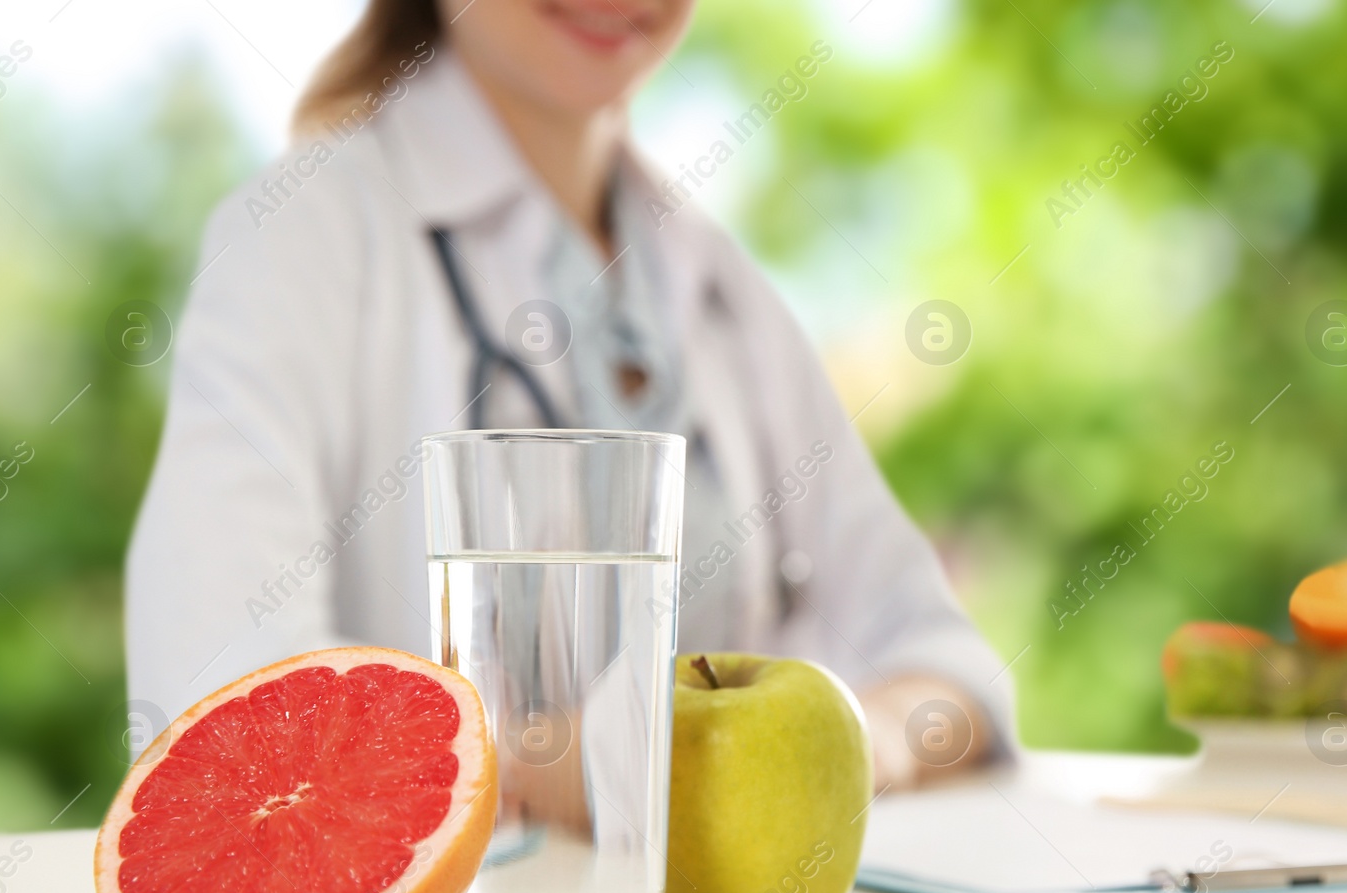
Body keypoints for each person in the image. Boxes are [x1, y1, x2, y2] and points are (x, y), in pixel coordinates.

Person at [126, 0, 1012, 789]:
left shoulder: (720, 286)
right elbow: (224, 739)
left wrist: (853, 740)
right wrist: (588, 774)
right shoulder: (304, 236)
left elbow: (948, 665)